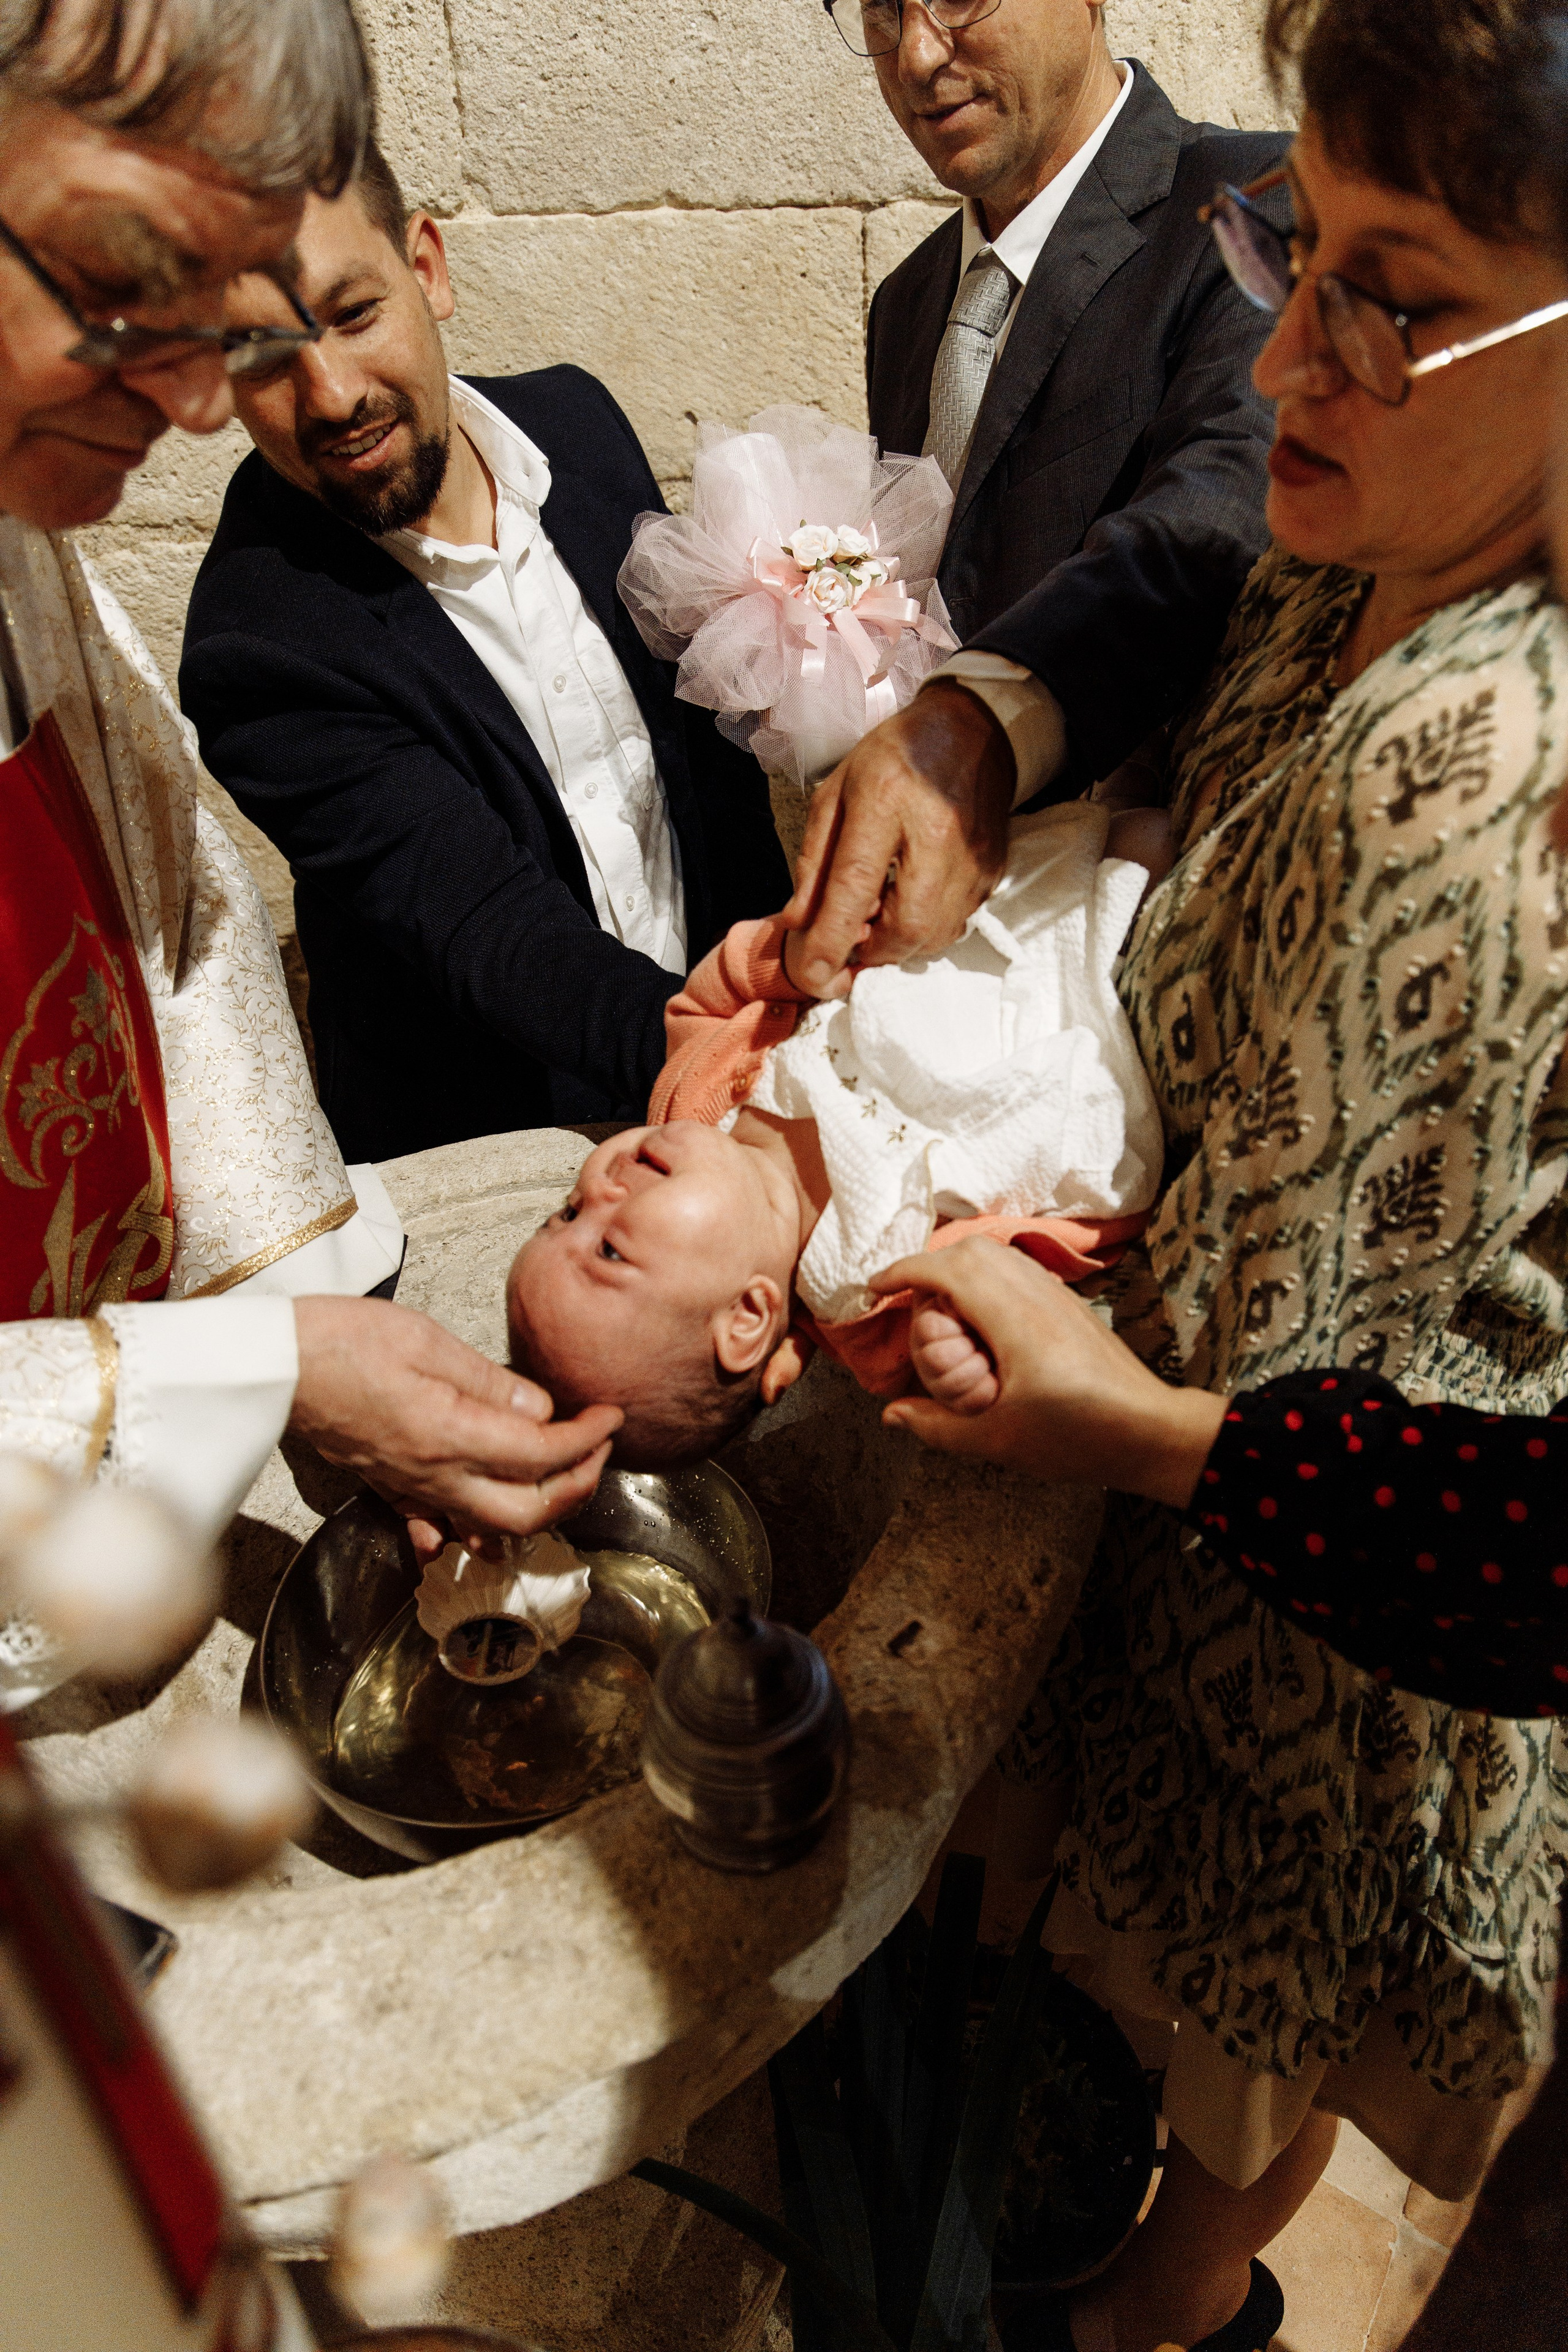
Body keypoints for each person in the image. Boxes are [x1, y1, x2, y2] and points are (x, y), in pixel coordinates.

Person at [842, 0, 1568, 2343]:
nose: (1281, 368)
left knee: (1217, 2123)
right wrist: (983, 722)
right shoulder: (1359, 558)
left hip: (1314, 1620)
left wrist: (894, 1211)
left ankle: (1167, 2307)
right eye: (1301, 254)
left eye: (1404, 298)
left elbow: (1254, 1355)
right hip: (1241, 1515)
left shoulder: (1452, 773)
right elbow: (1186, 612)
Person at [0, 0, 620, 1710]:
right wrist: (258, 1374)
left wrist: (315, 1328)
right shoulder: (272, 633)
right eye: (151, 291)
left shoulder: (22, 554)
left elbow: (177, 948)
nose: (213, 402)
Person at [179, 144, 790, 1166]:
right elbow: (496, 939)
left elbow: (706, 779)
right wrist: (765, 1063)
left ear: (428, 269)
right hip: (520, 1158)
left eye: (355, 312)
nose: (329, 394)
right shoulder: (257, 644)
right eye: (261, 355)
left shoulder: (578, 424)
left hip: (737, 1054)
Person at [784, 0, 1287, 1001]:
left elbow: (1214, 516)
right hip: (955, 959)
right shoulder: (911, 303)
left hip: (1158, 950)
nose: (919, 55)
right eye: (882, 11)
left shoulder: (1248, 203)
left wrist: (982, 720)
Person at [506, 802, 1166, 1461]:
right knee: (1147, 849)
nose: (602, 1188)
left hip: (965, 920)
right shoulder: (867, 1302)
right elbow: (1025, 1247)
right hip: (1074, 1018)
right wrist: (954, 1332)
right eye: (612, 1248)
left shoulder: (691, 1101)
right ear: (746, 1317)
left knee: (1089, 816)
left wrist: (789, 961)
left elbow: (707, 999)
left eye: (566, 1212)